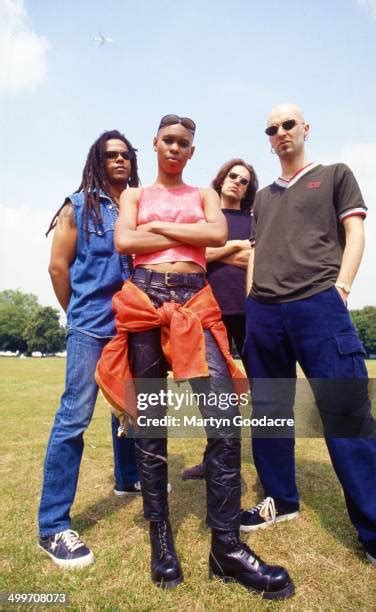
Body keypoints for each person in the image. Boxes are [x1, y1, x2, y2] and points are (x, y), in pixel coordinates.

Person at [96, 114, 294, 599]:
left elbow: (214, 234)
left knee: (224, 421)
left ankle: (225, 547)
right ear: (156, 143)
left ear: (191, 151)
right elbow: (125, 241)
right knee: (150, 424)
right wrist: (182, 233)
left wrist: (160, 229)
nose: (175, 148)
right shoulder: (133, 195)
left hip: (195, 301)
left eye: (184, 143)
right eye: (168, 140)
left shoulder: (203, 195)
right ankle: (161, 539)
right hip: (144, 298)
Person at [242, 103, 376, 567]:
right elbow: (255, 251)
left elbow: (355, 233)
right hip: (265, 312)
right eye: (271, 128)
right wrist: (251, 303)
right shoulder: (261, 197)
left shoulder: (335, 174)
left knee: (346, 415)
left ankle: (373, 530)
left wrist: (341, 288)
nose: (280, 133)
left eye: (288, 125)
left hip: (319, 304)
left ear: (305, 128)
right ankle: (281, 499)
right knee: (270, 412)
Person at [38, 130, 141, 568]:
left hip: (132, 325)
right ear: (97, 161)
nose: (119, 160)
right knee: (74, 418)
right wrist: (77, 314)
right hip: (90, 328)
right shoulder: (77, 207)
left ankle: (128, 479)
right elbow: (57, 266)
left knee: (132, 409)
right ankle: (53, 526)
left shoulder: (139, 208)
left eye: (125, 155)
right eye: (110, 155)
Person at [182, 158, 257, 481]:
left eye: (243, 180)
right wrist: (236, 247)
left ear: (248, 189)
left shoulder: (255, 221)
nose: (237, 182)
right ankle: (215, 461)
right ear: (221, 178)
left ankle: (268, 465)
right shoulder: (205, 218)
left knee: (262, 389)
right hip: (208, 313)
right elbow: (195, 256)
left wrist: (223, 250)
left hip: (250, 313)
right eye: (232, 176)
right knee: (213, 394)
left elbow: (259, 258)